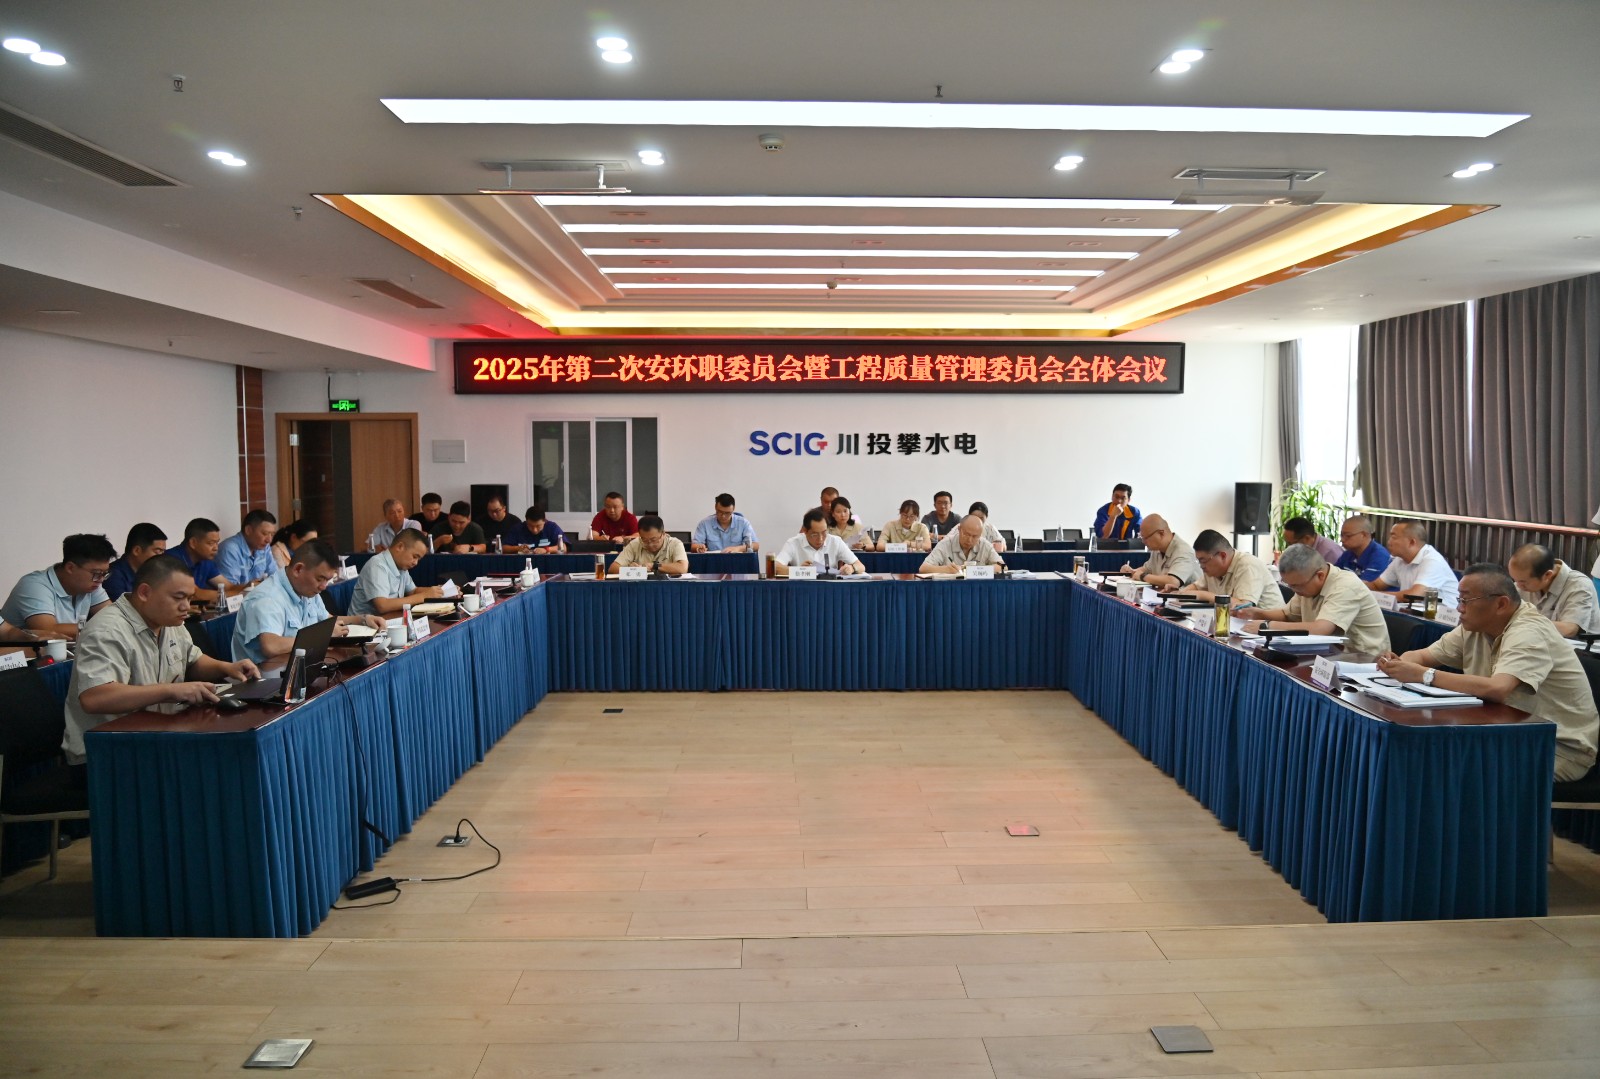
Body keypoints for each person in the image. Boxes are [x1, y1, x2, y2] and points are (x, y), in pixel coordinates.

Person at [1378, 564, 1599, 781]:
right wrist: (1400, 664)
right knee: (1426, 756)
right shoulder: (1474, 626)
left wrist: (1424, 674)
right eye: (1459, 600)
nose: (1459, 608)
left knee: (1448, 768)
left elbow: (1498, 689)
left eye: (1466, 601)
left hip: (1554, 747)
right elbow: (1423, 656)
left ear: (1501, 604)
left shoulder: (1529, 631)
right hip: (1506, 733)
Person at [64, 554, 260, 773]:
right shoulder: (106, 630)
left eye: (189, 598)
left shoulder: (168, 621)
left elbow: (192, 660)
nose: (186, 606)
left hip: (155, 737)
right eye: (178, 598)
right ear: (145, 593)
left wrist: (227, 668)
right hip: (106, 755)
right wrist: (170, 691)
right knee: (216, 764)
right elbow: (95, 698)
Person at [233, 539, 383, 663]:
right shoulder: (268, 598)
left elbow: (327, 620)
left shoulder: (305, 588)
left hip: (300, 667)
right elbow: (271, 646)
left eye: (327, 580)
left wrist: (363, 619)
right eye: (320, 579)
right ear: (298, 569)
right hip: (265, 680)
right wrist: (322, 636)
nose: (324, 587)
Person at [1236, 545, 1389, 655]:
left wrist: (1267, 626)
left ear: (1320, 575)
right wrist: (1257, 613)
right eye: (1290, 585)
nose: (1294, 590)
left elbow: (1321, 630)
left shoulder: (1345, 586)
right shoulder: (1306, 584)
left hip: (1364, 660)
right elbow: (1287, 615)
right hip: (1329, 654)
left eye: (1297, 585)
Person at [1, 534, 116, 640]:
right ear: (70, 568)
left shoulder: (91, 585)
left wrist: (109, 626)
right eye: (96, 573)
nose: (101, 580)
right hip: (21, 653)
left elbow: (113, 618)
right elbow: (47, 629)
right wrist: (100, 628)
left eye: (105, 574)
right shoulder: (34, 586)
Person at [1508, 543, 1600, 637]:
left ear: (1547, 575)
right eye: (1515, 580)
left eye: (1523, 582)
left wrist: (1525, 624)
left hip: (1576, 644)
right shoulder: (1524, 581)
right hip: (1535, 640)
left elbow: (1569, 629)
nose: (1518, 586)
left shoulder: (1579, 585)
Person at [349, 529, 443, 617]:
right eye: (415, 556)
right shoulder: (377, 565)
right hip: (362, 626)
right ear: (400, 547)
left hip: (388, 621)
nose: (416, 563)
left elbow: (413, 591)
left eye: (418, 559)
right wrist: (424, 596)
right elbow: (382, 606)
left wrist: (439, 591)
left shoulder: (401, 566)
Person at [1179, 529, 1278, 609]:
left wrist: (1202, 595)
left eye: (1203, 561)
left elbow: (1243, 607)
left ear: (1222, 556)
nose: (1201, 566)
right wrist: (1180, 594)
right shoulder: (1213, 570)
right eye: (1199, 561)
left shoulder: (1247, 565)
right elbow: (1196, 587)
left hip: (1268, 625)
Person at [1368, 521, 1459, 606]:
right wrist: (1359, 586)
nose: (1389, 542)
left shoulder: (1432, 561)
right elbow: (1376, 585)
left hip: (1443, 615)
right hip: (1415, 612)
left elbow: (1414, 596)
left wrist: (1373, 596)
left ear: (1411, 542)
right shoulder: (1399, 560)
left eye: (1394, 537)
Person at [774, 508, 864, 576]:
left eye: (824, 533)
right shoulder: (793, 543)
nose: (820, 539)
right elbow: (775, 567)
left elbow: (861, 566)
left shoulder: (835, 542)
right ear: (805, 531)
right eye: (815, 534)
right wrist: (800, 571)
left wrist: (852, 568)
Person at [1125, 514, 1200, 590]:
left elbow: (1173, 581)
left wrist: (1142, 576)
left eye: (1146, 538)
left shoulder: (1184, 551)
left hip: (1185, 596)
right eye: (1142, 537)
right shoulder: (1157, 549)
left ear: (1161, 533)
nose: (1143, 542)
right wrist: (1130, 571)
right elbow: (1146, 569)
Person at [171, 517, 231, 606]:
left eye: (217, 543)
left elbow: (227, 586)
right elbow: (195, 594)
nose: (216, 548)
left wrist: (248, 587)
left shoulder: (205, 560)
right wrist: (239, 595)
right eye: (211, 543)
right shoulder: (172, 560)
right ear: (193, 543)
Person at [920, 514, 1005, 575]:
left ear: (980, 535)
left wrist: (976, 571)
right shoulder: (945, 543)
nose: (969, 540)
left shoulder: (984, 544)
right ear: (959, 529)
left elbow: (1002, 566)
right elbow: (923, 568)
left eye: (975, 536)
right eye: (966, 534)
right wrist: (946, 569)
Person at [104, 522, 168, 602]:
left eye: (163, 552)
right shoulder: (113, 577)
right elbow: (127, 608)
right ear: (136, 551)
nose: (161, 557)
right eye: (157, 551)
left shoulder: (154, 573)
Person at [217, 509, 279, 586]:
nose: (269, 540)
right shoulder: (229, 550)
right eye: (265, 533)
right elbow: (230, 588)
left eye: (272, 535)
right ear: (248, 530)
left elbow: (275, 576)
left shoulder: (264, 547)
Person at [609, 515, 690, 574]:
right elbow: (613, 568)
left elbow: (682, 568)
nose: (650, 544)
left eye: (654, 540)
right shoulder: (635, 544)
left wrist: (654, 566)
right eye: (645, 540)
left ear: (663, 534)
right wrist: (630, 569)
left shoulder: (675, 544)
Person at [691, 493, 759, 553]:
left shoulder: (743, 523)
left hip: (737, 560)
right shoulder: (705, 523)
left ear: (733, 509)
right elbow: (694, 546)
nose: (723, 516)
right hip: (714, 561)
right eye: (720, 512)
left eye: (727, 513)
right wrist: (699, 548)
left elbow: (756, 545)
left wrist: (738, 549)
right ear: (715, 507)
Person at [1335, 514, 1392, 582]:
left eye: (1348, 536)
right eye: (1342, 535)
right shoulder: (1348, 553)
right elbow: (1333, 577)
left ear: (1364, 535)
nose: (1342, 540)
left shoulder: (1380, 556)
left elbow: (1364, 586)